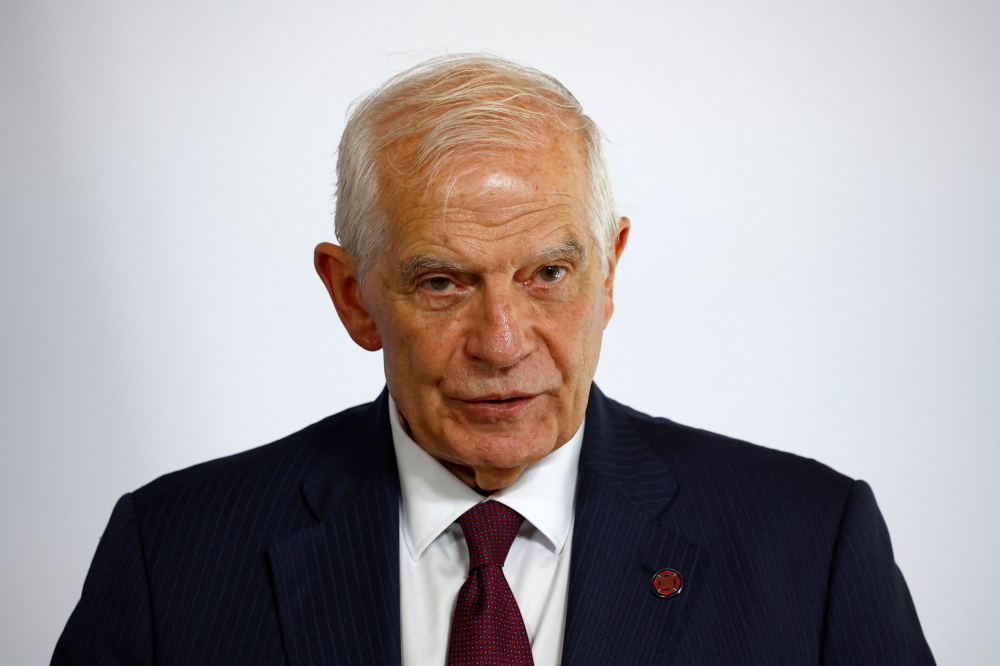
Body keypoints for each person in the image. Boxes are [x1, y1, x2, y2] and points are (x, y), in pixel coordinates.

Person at [52, 54, 934, 666]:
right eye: (441, 282)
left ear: (610, 273)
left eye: (549, 273)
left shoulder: (810, 544)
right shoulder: (171, 553)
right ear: (353, 295)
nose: (504, 342)